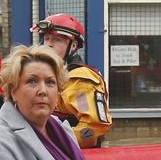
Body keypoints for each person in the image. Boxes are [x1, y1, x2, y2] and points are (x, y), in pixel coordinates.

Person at [34, 13, 111, 148]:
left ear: (73, 46)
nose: (48, 45)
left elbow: (93, 127)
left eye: (56, 40)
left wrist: (52, 143)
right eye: (46, 39)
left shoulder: (79, 81)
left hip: (74, 157)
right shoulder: (48, 76)